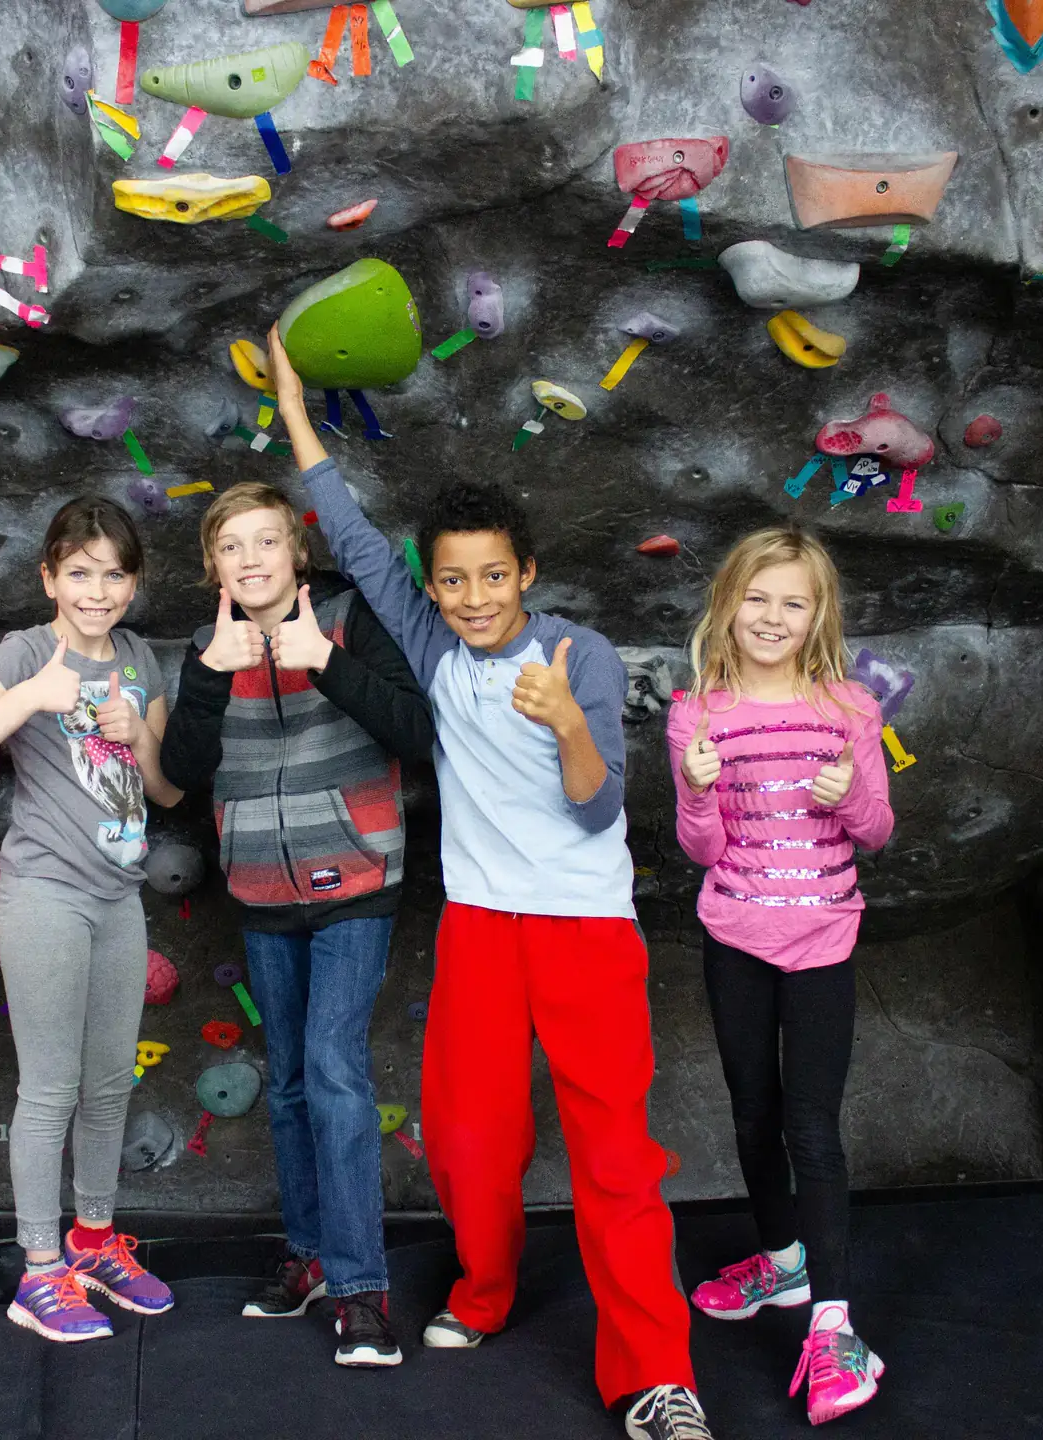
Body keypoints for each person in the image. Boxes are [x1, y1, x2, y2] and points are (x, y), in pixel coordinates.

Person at [268, 328, 713, 1440]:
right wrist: (288, 397)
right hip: (480, 930)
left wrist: (567, 724)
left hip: (583, 935)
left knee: (614, 1159)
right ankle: (485, 1293)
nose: (472, 598)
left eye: (493, 577)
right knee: (469, 1143)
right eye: (453, 579)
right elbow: (357, 539)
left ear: (528, 575)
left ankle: (659, 1378)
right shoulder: (430, 642)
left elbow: (600, 806)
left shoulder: (579, 658)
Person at [159, 482, 435, 1368]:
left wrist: (322, 659)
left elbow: (418, 730)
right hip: (261, 893)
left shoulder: (350, 622)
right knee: (284, 1087)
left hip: (354, 881)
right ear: (214, 567)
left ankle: (362, 1291)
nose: (251, 560)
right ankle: (310, 1256)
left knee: (332, 1075)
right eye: (232, 547)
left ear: (296, 553)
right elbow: (184, 770)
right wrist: (207, 676)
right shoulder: (209, 647)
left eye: (266, 542)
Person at [0, 497, 182, 1342]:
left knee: (110, 1085)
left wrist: (138, 733)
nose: (96, 590)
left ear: (133, 583)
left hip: (118, 896)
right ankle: (38, 1271)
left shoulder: (140, 657)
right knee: (51, 1090)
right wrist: (32, 693)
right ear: (48, 577)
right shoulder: (27, 650)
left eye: (112, 574)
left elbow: (168, 790)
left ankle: (94, 1242)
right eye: (78, 572)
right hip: (44, 895)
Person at [666, 527, 895, 1427]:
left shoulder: (848, 705)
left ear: (817, 615)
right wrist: (693, 790)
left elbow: (877, 830)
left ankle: (834, 1328)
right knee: (753, 1109)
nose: (772, 616)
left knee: (812, 1125)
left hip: (824, 938)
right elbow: (702, 847)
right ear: (728, 603)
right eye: (757, 598)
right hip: (736, 934)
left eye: (792, 602)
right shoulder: (699, 712)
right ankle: (783, 1260)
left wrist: (853, 800)